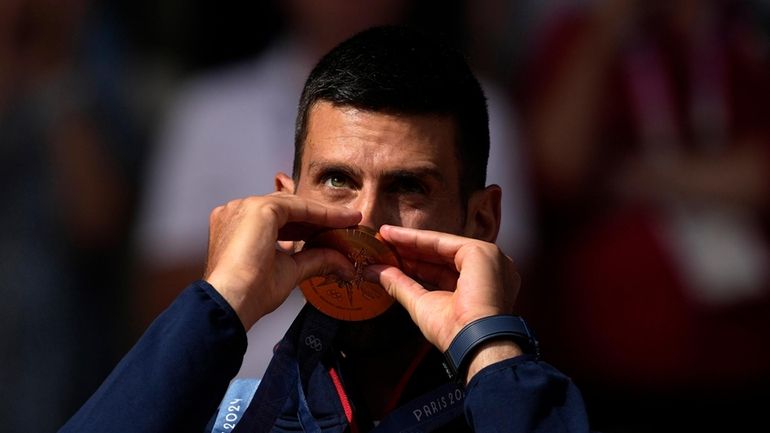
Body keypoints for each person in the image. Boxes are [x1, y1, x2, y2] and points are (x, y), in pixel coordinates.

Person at [60, 26, 591, 432]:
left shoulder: (518, 402)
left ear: (481, 221)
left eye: (408, 187)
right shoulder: (229, 408)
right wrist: (220, 302)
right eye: (338, 179)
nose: (366, 219)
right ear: (288, 202)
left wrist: (488, 346)